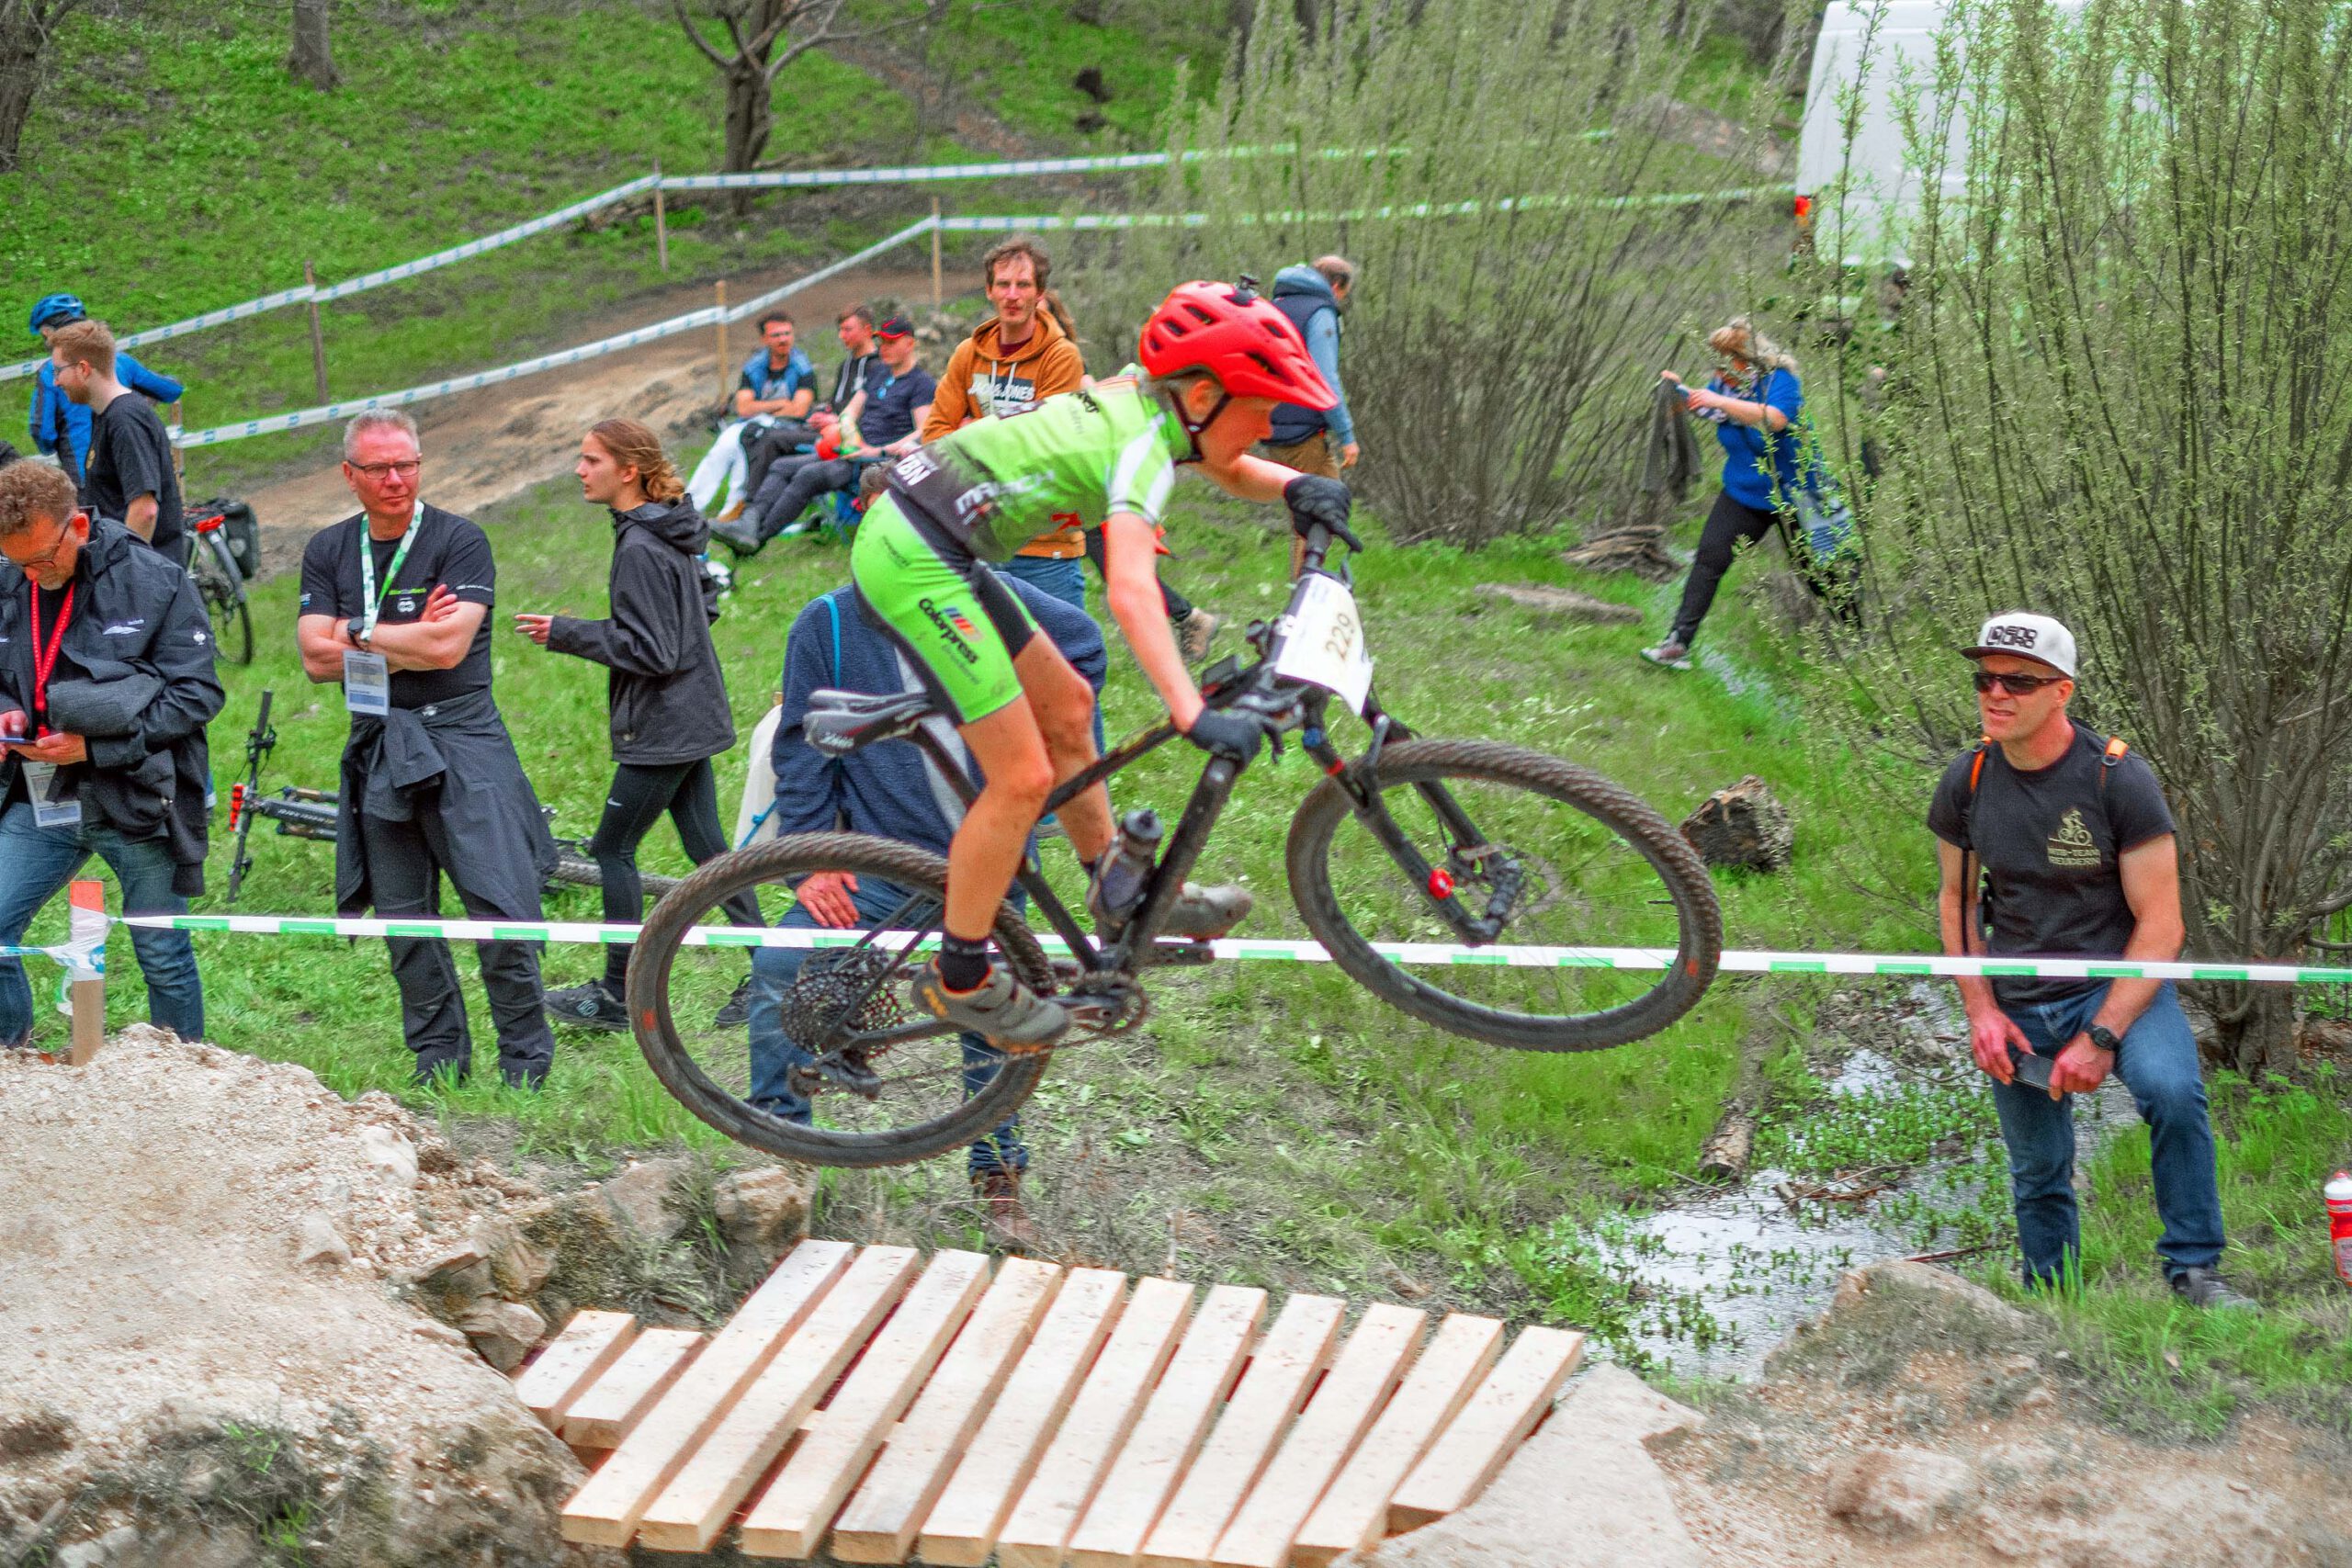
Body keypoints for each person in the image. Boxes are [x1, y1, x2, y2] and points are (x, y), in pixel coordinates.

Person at [847, 277, 1348, 1046]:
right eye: (1262, 409)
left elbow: (1225, 462)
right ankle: (961, 978)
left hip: (939, 537)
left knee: (1070, 708)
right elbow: (1132, 589)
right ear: (1206, 394)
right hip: (913, 557)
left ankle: (1117, 888)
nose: (1271, 427)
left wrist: (1299, 485)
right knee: (1022, 776)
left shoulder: (1146, 400)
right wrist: (1193, 711)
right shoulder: (1141, 447)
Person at [749, 570, 1108, 1247]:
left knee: (991, 1014)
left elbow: (1085, 649)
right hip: (877, 866)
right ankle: (781, 1149)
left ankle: (999, 1183)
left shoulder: (995, 599)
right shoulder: (825, 622)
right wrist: (813, 858)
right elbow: (798, 749)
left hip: (994, 865)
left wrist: (1031, 714)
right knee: (779, 963)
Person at [1929, 612, 2248, 1309]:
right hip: (2015, 992)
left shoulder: (2118, 778)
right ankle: (2052, 1295)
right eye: (1985, 677)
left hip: (2118, 982)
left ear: (2062, 691)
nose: (1996, 693)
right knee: (2039, 1164)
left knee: (2171, 1092)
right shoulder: (1969, 778)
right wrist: (1980, 1010)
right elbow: (1956, 901)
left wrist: (2100, 1035)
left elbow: (2163, 929)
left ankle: (2195, 1270)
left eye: (2019, 679)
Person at [297, 411, 560, 1088]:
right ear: (349, 475)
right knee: (404, 916)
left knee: (496, 901)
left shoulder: (459, 540)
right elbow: (313, 658)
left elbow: (449, 646)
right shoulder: (328, 550)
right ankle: (439, 1057)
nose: (395, 479)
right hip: (381, 736)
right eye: (379, 468)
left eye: (407, 464)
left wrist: (353, 629)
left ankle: (525, 1059)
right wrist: (392, 632)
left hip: (463, 731)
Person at [516, 419, 762, 1031]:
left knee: (612, 848)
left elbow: (652, 650)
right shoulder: (666, 527)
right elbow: (704, 604)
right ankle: (776, 971)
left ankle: (617, 994)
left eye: (591, 459)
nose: (579, 469)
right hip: (691, 713)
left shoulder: (640, 547)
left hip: (664, 727)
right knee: (708, 850)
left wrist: (566, 631)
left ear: (628, 470)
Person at [0, 459, 221, 1051]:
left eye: (43, 559)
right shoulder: (12, 579)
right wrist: (8, 709)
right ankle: (10, 1062)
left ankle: (179, 1086)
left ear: (76, 524)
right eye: (19, 563)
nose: (32, 574)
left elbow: (198, 694)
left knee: (161, 950)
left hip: (134, 794)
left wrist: (95, 747)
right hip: (41, 794)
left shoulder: (154, 580)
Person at [1643, 318, 1847, 670]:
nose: (1722, 367)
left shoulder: (1780, 381)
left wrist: (1719, 402)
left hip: (1800, 495)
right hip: (1746, 493)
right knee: (1709, 559)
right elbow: (1704, 406)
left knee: (1819, 574)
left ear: (1748, 356)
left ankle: (1858, 640)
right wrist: (1679, 391)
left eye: (1729, 358)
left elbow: (1775, 419)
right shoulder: (1725, 383)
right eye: (1719, 359)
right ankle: (1677, 644)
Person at [712, 315, 936, 555]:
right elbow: (850, 411)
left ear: (910, 344)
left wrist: (877, 451)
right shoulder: (879, 373)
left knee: (808, 474)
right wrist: (848, 433)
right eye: (882, 342)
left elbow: (922, 432)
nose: (884, 349)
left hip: (876, 464)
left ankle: (756, 538)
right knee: (782, 465)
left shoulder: (920, 383)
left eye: (892, 343)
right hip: (849, 452)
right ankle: (749, 521)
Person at [47, 321, 187, 569]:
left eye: (58, 371)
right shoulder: (106, 415)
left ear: (83, 369)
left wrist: (122, 571)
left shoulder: (125, 420)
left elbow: (145, 510)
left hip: (146, 580)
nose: (56, 382)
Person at [26, 294, 183, 490]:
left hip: (84, 478)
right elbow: (171, 391)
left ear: (48, 332)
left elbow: (43, 433)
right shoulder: (120, 360)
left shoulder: (49, 373)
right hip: (130, 470)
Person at [739, 304, 883, 505]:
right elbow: (836, 403)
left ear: (867, 331)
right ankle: (750, 505)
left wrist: (837, 419)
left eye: (847, 330)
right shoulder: (846, 364)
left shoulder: (878, 367)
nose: (841, 336)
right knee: (754, 434)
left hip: (847, 437)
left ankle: (751, 506)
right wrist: (823, 412)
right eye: (840, 330)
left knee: (770, 439)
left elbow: (876, 411)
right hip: (825, 429)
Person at [684, 312, 816, 518]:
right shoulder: (754, 366)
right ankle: (690, 505)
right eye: (776, 335)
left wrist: (761, 406)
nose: (783, 339)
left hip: (785, 427)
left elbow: (799, 410)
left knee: (748, 445)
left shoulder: (802, 367)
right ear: (764, 339)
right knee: (724, 445)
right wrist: (780, 403)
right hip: (749, 422)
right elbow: (743, 408)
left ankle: (734, 508)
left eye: (787, 333)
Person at [1261, 256, 1361, 479]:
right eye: (1344, 293)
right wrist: (1347, 436)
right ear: (1336, 285)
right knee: (1324, 507)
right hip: (1302, 435)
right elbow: (1325, 378)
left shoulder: (1275, 306)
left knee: (1313, 506)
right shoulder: (1320, 313)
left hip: (1271, 426)